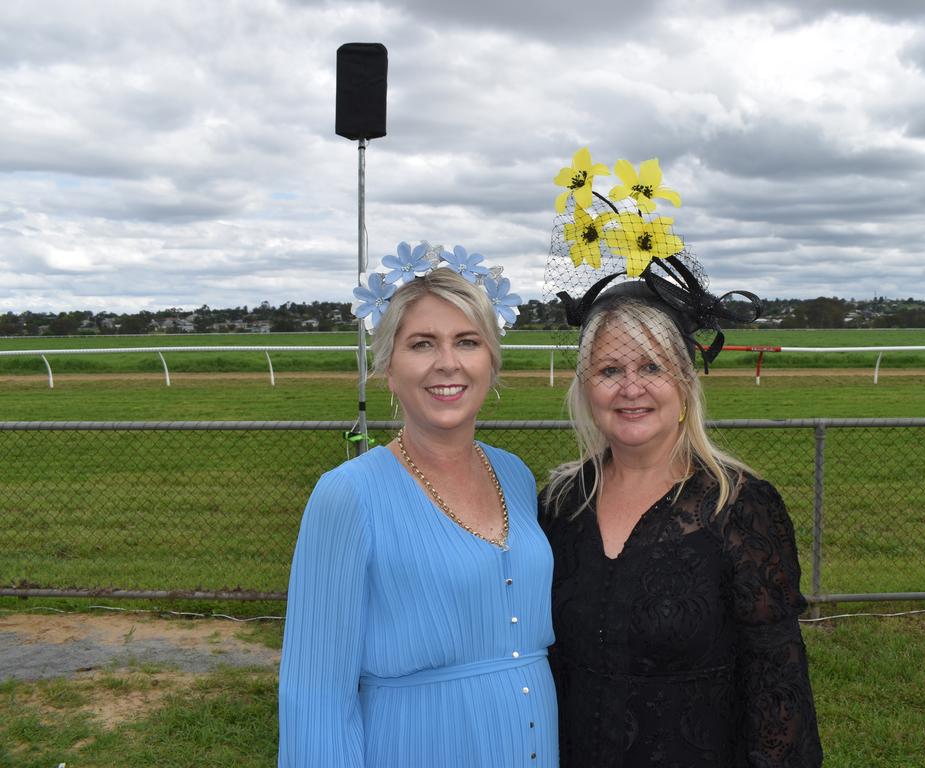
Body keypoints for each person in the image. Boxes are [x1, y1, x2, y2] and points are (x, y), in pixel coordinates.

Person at [278, 258, 557, 767]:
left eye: (467, 341)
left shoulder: (515, 475)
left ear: (492, 362)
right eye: (422, 343)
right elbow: (315, 693)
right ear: (388, 369)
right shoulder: (348, 495)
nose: (447, 362)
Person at [540, 279, 823, 767]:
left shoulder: (738, 507)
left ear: (687, 381)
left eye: (652, 366)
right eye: (610, 369)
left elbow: (777, 687)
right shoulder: (559, 504)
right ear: (587, 388)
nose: (631, 388)